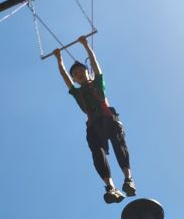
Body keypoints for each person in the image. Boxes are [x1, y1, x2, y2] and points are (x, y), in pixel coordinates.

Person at [54, 36, 136, 204]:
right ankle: (111, 187)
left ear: (87, 72)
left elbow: (95, 63)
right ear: (74, 79)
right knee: (97, 153)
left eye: (81, 71)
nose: (79, 75)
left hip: (109, 119)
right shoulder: (77, 92)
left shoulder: (97, 82)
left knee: (119, 144)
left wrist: (86, 46)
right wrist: (59, 59)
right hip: (93, 126)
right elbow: (64, 76)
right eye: (75, 75)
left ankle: (128, 179)